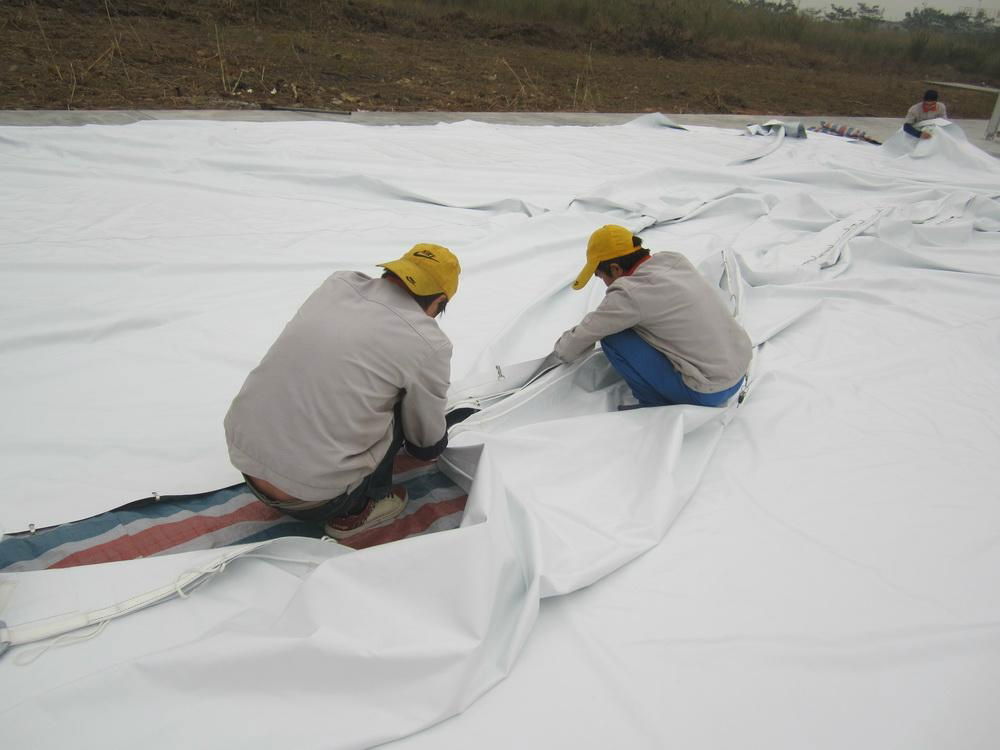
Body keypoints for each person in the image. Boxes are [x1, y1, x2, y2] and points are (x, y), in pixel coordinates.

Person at [224, 244, 460, 540]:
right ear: (439, 301)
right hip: (315, 500)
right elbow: (424, 443)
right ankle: (357, 509)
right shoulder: (427, 342)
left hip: (243, 458)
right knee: (404, 402)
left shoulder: (337, 285)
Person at [553, 225, 751, 409]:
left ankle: (652, 405)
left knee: (614, 338)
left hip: (708, 391)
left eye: (600, 276)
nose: (604, 283)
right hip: (739, 369)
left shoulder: (629, 294)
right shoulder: (674, 260)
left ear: (615, 268)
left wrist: (558, 350)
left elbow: (570, 348)